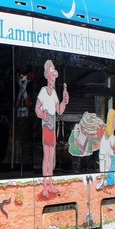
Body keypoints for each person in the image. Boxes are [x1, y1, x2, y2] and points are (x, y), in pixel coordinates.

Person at [35, 59, 68, 200]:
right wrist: (44, 115)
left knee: (52, 156)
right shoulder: (43, 91)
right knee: (47, 156)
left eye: (53, 68)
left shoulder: (54, 92)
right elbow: (37, 108)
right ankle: (44, 187)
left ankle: (50, 184)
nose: (53, 71)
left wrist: (65, 102)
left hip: (53, 125)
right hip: (47, 126)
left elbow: (59, 111)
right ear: (46, 74)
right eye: (51, 69)